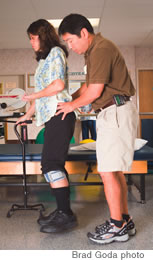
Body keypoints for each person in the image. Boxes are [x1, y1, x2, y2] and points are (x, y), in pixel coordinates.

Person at [57, 13, 138, 244]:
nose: (70, 47)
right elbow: (87, 86)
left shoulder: (101, 48)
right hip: (112, 113)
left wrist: (70, 106)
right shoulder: (94, 52)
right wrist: (69, 99)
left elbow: (94, 92)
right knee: (113, 171)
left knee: (106, 171)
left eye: (71, 41)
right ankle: (124, 220)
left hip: (116, 112)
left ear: (83, 33)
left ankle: (116, 226)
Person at [16, 19, 77, 233]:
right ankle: (63, 211)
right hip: (51, 116)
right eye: (30, 39)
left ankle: (65, 215)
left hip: (60, 113)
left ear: (43, 36)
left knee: (51, 164)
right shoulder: (42, 61)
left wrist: (33, 95)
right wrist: (27, 115)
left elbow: (58, 85)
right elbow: (41, 96)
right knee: (52, 164)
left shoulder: (56, 54)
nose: (31, 42)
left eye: (33, 38)